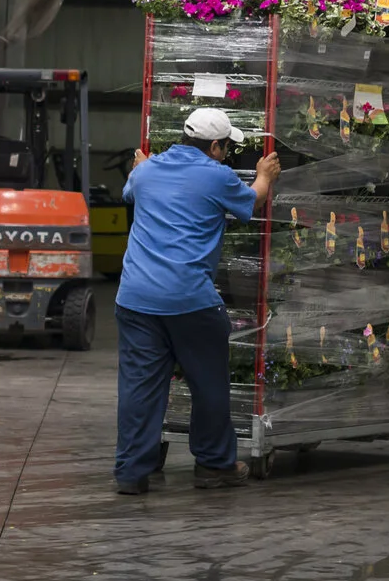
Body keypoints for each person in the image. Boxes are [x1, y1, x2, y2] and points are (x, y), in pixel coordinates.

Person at [113, 105, 280, 495]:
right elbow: (252, 202)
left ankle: (131, 473)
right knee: (208, 384)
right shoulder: (216, 176)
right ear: (217, 147)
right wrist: (264, 176)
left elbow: (131, 192)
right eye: (226, 148)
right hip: (189, 300)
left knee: (139, 388)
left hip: (135, 298)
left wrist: (140, 167)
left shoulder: (147, 171)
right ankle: (213, 464)